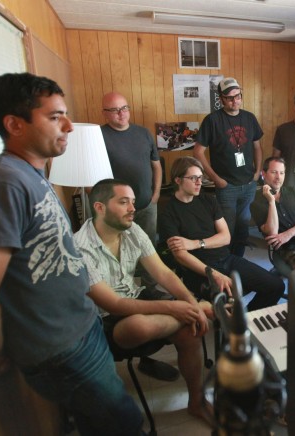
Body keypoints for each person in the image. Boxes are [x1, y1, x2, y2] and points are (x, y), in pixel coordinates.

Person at [0, 73, 144, 436]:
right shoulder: (2, 184)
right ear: (14, 124)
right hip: (60, 349)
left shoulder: (32, 173)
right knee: (125, 425)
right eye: (55, 117)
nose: (68, 125)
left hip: (81, 330)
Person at [73, 179, 214, 426]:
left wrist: (188, 303)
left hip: (136, 297)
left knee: (190, 331)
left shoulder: (132, 229)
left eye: (133, 202)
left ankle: (197, 401)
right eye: (123, 202)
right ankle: (200, 310)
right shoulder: (79, 248)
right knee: (139, 326)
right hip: (104, 321)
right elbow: (114, 305)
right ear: (99, 207)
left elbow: (164, 274)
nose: (132, 208)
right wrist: (180, 307)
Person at [100, 91, 172, 381]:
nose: (121, 114)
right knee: (120, 262)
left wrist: (155, 194)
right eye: (114, 110)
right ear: (105, 113)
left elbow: (156, 165)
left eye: (125, 108)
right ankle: (131, 310)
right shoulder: (99, 137)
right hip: (116, 214)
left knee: (149, 254)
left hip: (145, 206)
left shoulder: (143, 134)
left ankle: (150, 299)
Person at [159, 156, 284, 311]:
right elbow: (180, 255)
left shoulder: (208, 200)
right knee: (228, 302)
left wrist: (196, 243)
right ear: (177, 180)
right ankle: (234, 326)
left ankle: (248, 320)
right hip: (198, 270)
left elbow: (225, 237)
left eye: (200, 177)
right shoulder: (168, 212)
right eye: (193, 178)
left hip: (226, 258)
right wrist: (214, 274)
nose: (199, 182)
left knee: (276, 285)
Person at [193, 77, 262, 257]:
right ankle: (225, 264)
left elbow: (257, 146)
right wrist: (216, 179)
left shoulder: (249, 117)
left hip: (248, 184)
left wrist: (257, 173)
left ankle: (238, 263)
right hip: (226, 186)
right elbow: (198, 152)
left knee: (243, 228)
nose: (235, 101)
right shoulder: (212, 120)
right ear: (221, 98)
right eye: (230, 98)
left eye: (238, 96)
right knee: (227, 230)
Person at [251, 157, 295, 276]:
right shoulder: (256, 202)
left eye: (281, 173)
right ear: (263, 174)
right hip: (292, 249)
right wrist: (271, 201)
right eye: (274, 172)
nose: (278, 177)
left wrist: (288, 234)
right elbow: (272, 232)